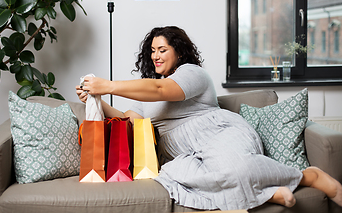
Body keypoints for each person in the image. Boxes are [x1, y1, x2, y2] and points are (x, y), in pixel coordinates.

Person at [76, 26, 342, 211]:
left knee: (232, 169)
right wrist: (95, 100)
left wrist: (107, 85)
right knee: (178, 179)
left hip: (217, 133)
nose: (155, 56)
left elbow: (161, 90)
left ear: (178, 52)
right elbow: (129, 120)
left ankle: (307, 177)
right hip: (182, 152)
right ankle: (268, 194)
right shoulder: (143, 90)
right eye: (152, 51)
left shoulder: (191, 73)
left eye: (162, 49)